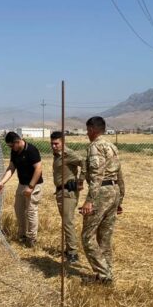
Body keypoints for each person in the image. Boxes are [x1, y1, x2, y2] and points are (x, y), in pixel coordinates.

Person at [80, 116, 125, 284]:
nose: (86, 133)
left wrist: (90, 200)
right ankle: (106, 274)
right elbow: (119, 174)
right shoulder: (112, 147)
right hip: (114, 191)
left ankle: (104, 274)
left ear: (92, 130)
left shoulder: (95, 147)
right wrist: (120, 199)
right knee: (104, 237)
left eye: (87, 130)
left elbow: (97, 175)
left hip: (102, 192)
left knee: (87, 236)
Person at [0, 131, 44, 247]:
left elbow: (38, 169)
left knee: (31, 211)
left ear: (17, 142)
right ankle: (22, 235)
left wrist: (31, 187)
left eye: (11, 145)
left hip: (34, 185)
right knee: (19, 209)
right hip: (22, 184)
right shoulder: (14, 151)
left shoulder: (31, 150)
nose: (11, 148)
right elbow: (11, 167)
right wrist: (2, 183)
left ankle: (31, 239)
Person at [50, 131, 84, 263]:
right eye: (52, 143)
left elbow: (85, 163)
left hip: (68, 192)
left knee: (67, 222)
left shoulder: (68, 154)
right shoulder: (57, 155)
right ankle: (69, 248)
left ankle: (73, 253)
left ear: (63, 142)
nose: (53, 146)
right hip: (60, 192)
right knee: (65, 221)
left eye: (56, 143)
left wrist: (80, 180)